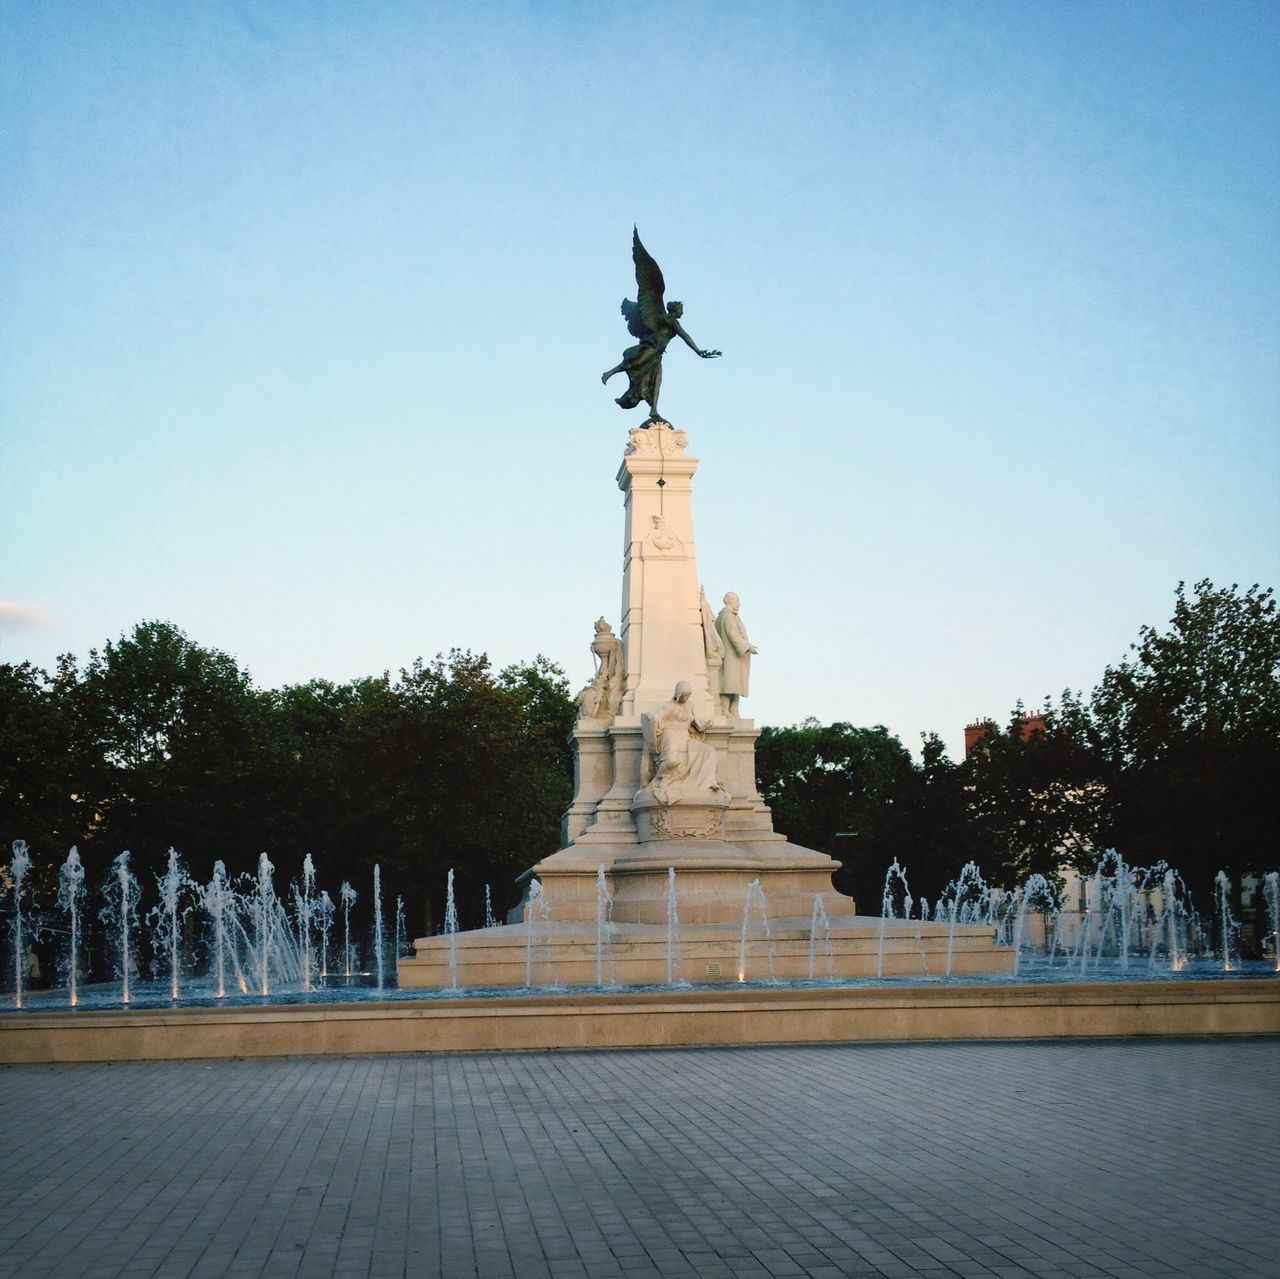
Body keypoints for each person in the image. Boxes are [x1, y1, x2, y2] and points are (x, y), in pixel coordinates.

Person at [649, 681, 726, 805]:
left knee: (709, 751)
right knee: (672, 760)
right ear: (678, 694)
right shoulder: (670, 706)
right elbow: (658, 716)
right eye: (683, 695)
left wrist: (703, 726)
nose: (685, 698)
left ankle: (709, 782)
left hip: (684, 738)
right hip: (670, 735)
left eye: (687, 695)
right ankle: (660, 780)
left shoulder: (689, 705)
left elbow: (693, 722)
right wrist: (652, 718)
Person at [714, 592, 758, 717]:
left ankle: (733, 710)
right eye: (737, 600)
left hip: (735, 656)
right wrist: (747, 646)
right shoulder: (728, 615)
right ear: (729, 601)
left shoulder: (728, 615)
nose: (739, 603)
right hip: (732, 656)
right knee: (730, 685)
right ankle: (726, 710)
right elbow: (733, 634)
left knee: (735, 685)